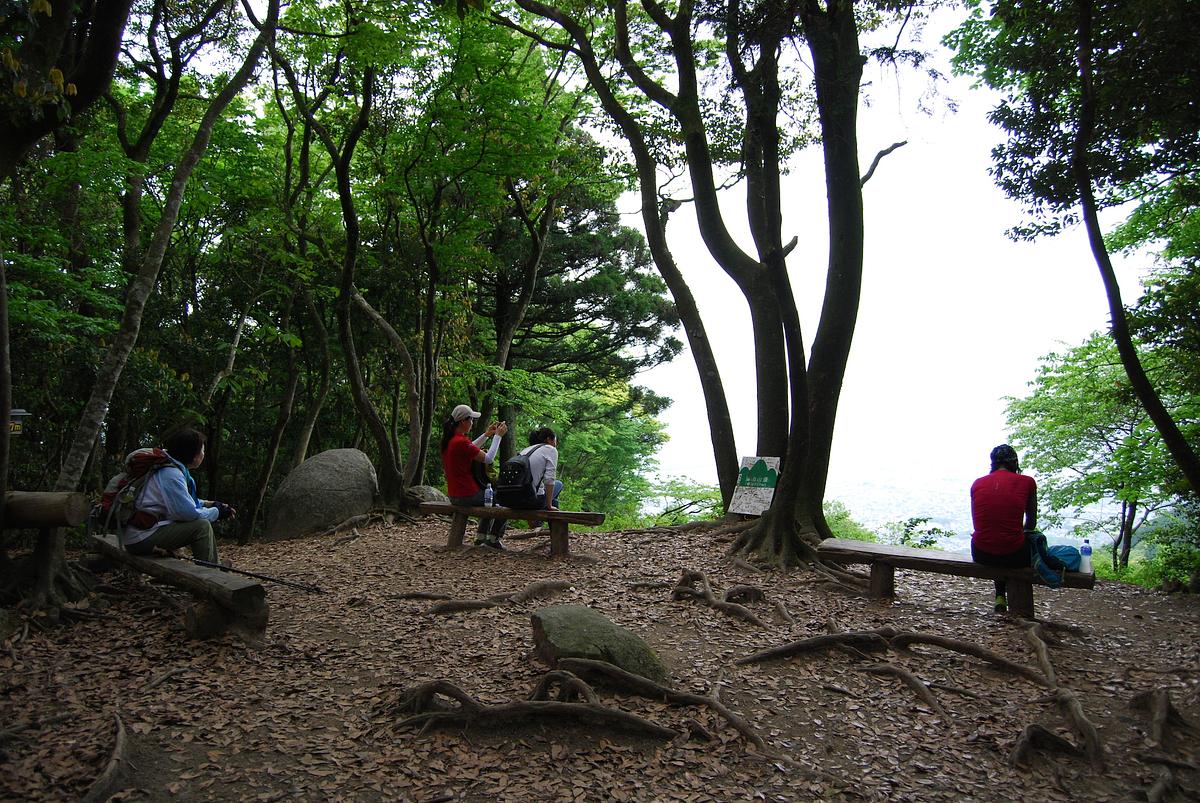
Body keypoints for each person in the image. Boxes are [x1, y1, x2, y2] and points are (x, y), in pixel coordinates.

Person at [969, 444, 1064, 613]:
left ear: (992, 463)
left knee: (998, 543)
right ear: (1015, 462)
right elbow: (1031, 524)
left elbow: (980, 523)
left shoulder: (977, 483)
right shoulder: (1027, 482)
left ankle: (1000, 595)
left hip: (981, 553)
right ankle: (1010, 600)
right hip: (1015, 556)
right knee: (1017, 544)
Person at [120, 427, 234, 563]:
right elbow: (188, 514)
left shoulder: (167, 466)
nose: (203, 454)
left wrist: (209, 504)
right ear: (192, 454)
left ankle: (213, 567)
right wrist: (217, 512)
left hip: (137, 534)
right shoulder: (171, 474)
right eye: (202, 451)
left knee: (200, 524)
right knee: (202, 527)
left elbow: (180, 500)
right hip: (140, 538)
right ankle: (212, 574)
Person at [440, 404, 508, 548]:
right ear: (463, 421)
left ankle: (481, 537)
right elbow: (489, 458)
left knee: (489, 498)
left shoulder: (451, 440)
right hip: (467, 494)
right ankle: (493, 539)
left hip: (454, 494)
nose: (472, 423)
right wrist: (498, 437)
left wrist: (486, 435)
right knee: (504, 499)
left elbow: (470, 447)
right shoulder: (460, 442)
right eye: (471, 419)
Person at [519, 427, 563, 527]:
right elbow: (549, 480)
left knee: (553, 500)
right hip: (532, 499)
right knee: (559, 484)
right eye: (555, 440)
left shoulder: (526, 450)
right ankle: (553, 532)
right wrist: (548, 505)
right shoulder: (550, 449)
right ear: (549, 439)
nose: (555, 444)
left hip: (515, 497)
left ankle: (537, 523)